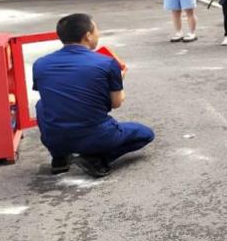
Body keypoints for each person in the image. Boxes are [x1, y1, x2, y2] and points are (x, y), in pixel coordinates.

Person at [33, 14, 155, 178]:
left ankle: (59, 157)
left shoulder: (40, 64)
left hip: (54, 138)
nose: (98, 34)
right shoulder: (106, 62)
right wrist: (118, 81)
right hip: (96, 135)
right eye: (96, 30)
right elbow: (116, 103)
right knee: (145, 134)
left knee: (42, 104)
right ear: (88, 35)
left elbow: (54, 97)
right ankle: (96, 158)